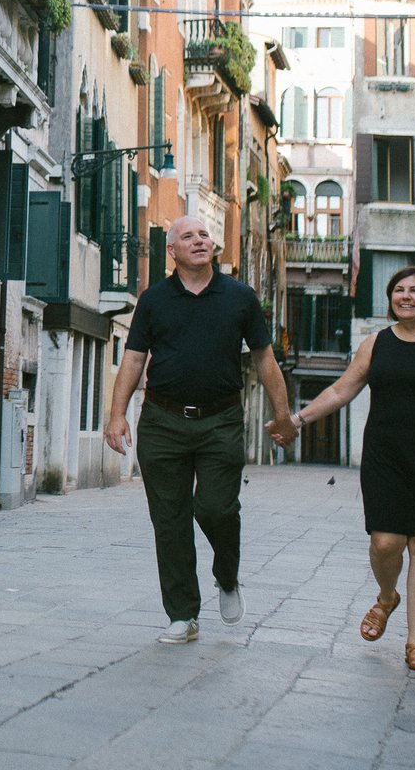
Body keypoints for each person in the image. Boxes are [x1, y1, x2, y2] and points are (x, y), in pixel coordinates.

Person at [275, 265, 415, 673]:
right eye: (398, 290)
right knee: (385, 542)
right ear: (390, 299)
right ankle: (387, 596)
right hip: (386, 453)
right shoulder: (375, 344)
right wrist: (296, 420)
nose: (406, 296)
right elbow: (340, 389)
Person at [104, 216, 293, 645]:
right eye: (188, 236)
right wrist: (116, 415)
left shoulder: (240, 297)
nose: (199, 241)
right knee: (169, 520)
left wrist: (282, 415)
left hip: (220, 420)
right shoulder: (153, 300)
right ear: (171, 251)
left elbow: (265, 359)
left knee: (216, 509)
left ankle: (227, 576)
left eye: (205, 235)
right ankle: (183, 614)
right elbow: (133, 359)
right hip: (162, 420)